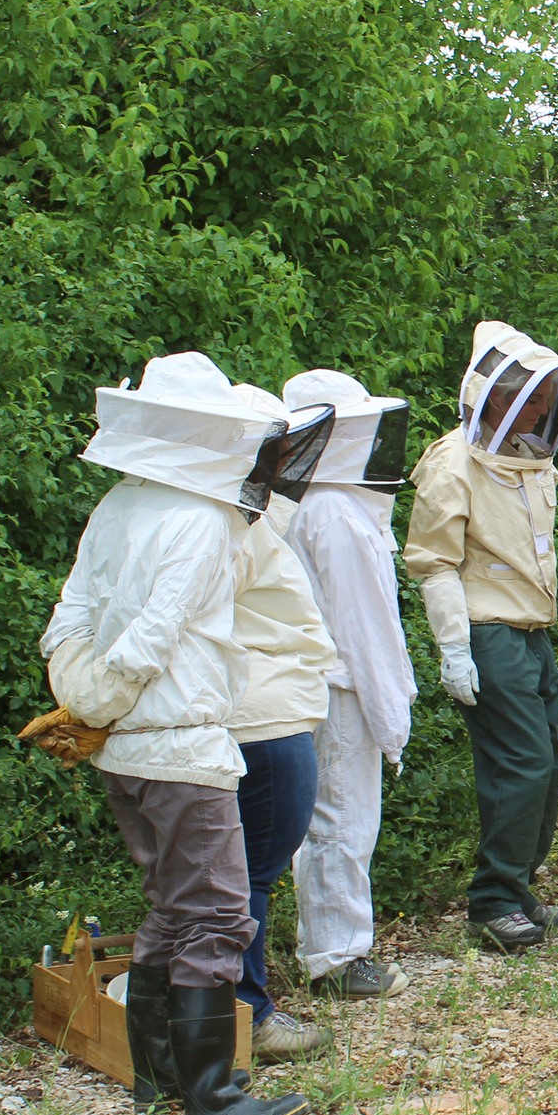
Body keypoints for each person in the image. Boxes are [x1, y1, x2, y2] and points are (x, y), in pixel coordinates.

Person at [38, 352, 317, 1115]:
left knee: (172, 905)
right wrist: (102, 696)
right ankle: (213, 1098)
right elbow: (150, 641)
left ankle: (159, 1076)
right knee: (219, 912)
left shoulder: (118, 504)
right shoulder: (199, 518)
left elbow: (67, 621)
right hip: (181, 749)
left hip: (126, 752)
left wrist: (86, 701)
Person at [406, 323, 558, 951]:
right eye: (532, 399)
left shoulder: (526, 455)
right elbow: (434, 563)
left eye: (546, 400)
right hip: (488, 633)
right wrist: (454, 648)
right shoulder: (452, 462)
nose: (541, 411)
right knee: (523, 763)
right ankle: (492, 901)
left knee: (548, 762)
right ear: (496, 396)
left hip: (532, 632)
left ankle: (518, 890)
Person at [281, 369, 420, 998]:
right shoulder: (333, 511)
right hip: (340, 688)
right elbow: (363, 626)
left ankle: (333, 948)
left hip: (324, 684)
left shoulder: (318, 505)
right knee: (342, 820)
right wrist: (391, 710)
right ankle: (336, 958)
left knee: (332, 819)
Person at [223, 385, 339, 1063]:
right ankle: (248, 1013)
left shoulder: (239, 518)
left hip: (270, 709)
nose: (286, 458)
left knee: (243, 874)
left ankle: (237, 1010)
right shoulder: (214, 525)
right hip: (259, 718)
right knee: (249, 876)